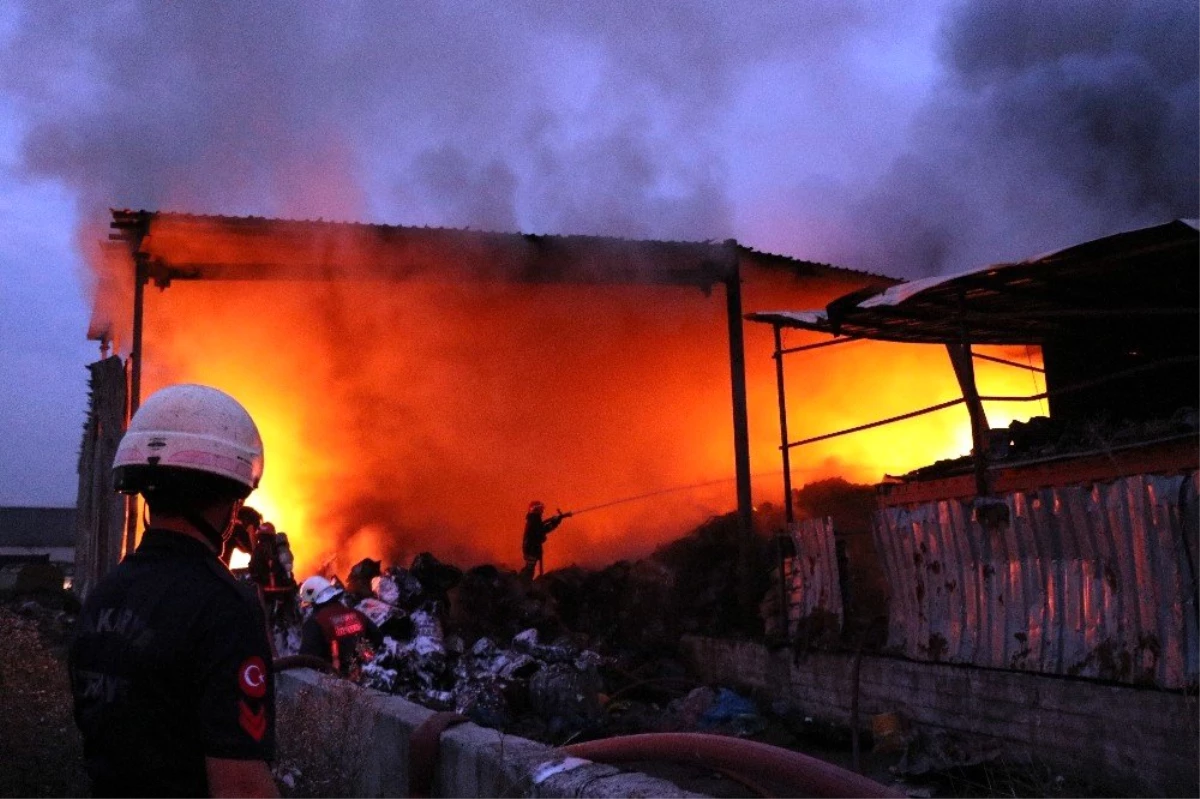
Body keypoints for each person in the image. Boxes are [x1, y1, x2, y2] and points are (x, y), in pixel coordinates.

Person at [68, 384, 279, 798]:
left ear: (145, 490)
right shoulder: (223, 608)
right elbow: (242, 790)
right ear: (232, 502)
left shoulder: (103, 595)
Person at [297, 575, 383, 679]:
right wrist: (360, 659)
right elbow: (377, 638)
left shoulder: (315, 623)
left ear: (314, 602)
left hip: (332, 685)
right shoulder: (356, 614)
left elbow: (306, 660)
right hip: (358, 679)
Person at [520, 500, 572, 580]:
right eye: (541, 509)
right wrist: (555, 522)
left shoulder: (534, 519)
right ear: (536, 509)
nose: (542, 511)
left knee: (529, 569)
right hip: (531, 549)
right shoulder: (534, 520)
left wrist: (555, 521)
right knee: (529, 570)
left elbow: (543, 529)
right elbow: (542, 530)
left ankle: (523, 582)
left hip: (531, 549)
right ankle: (523, 584)